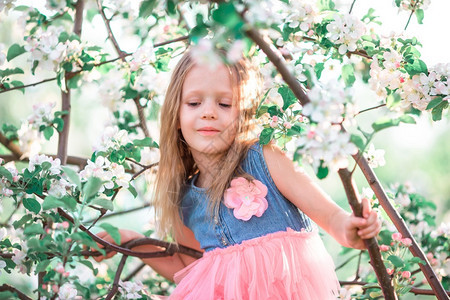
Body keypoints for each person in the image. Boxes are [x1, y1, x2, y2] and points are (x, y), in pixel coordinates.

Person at [94, 49, 381, 299]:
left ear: (244, 112)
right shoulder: (186, 196)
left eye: (224, 104)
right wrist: (128, 238)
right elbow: (189, 269)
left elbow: (330, 216)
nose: (208, 112)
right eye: (194, 103)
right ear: (176, 115)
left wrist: (348, 228)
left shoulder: (265, 159)